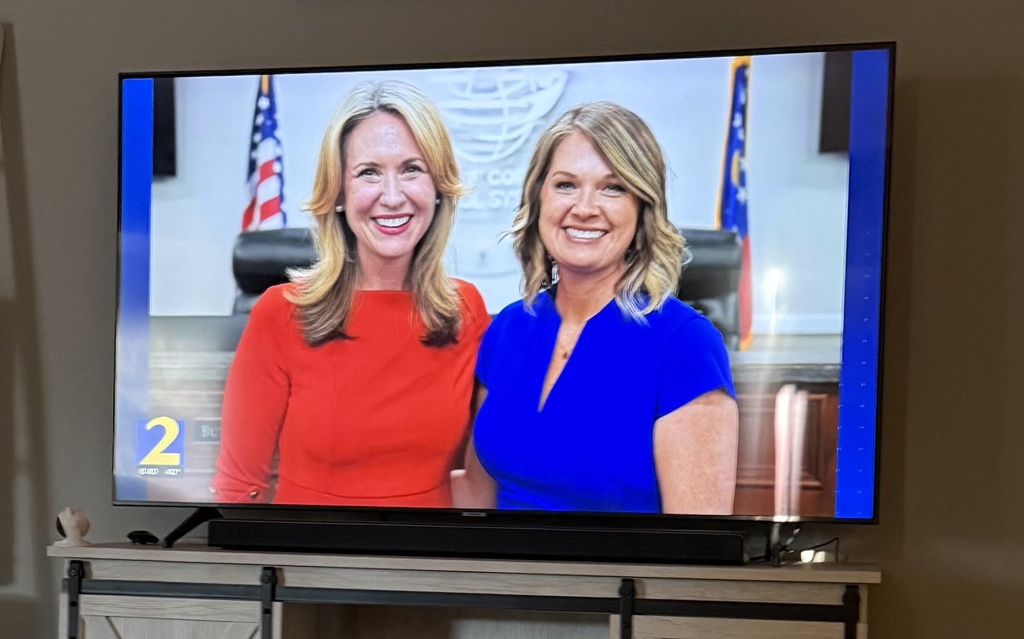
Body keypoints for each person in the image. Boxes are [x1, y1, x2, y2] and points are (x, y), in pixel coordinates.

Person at [212, 80, 489, 508]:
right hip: (313, 562)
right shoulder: (280, 313)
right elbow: (237, 488)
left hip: (433, 562)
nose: (392, 196)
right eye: (368, 173)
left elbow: (486, 468)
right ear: (339, 193)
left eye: (412, 169)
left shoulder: (465, 308)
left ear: (438, 189)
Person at [455, 102, 739, 514]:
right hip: (501, 576)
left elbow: (695, 547)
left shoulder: (685, 345)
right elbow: (479, 498)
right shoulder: (509, 328)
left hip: (615, 578)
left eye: (613, 187)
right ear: (538, 199)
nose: (585, 207)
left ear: (642, 207)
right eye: (566, 185)